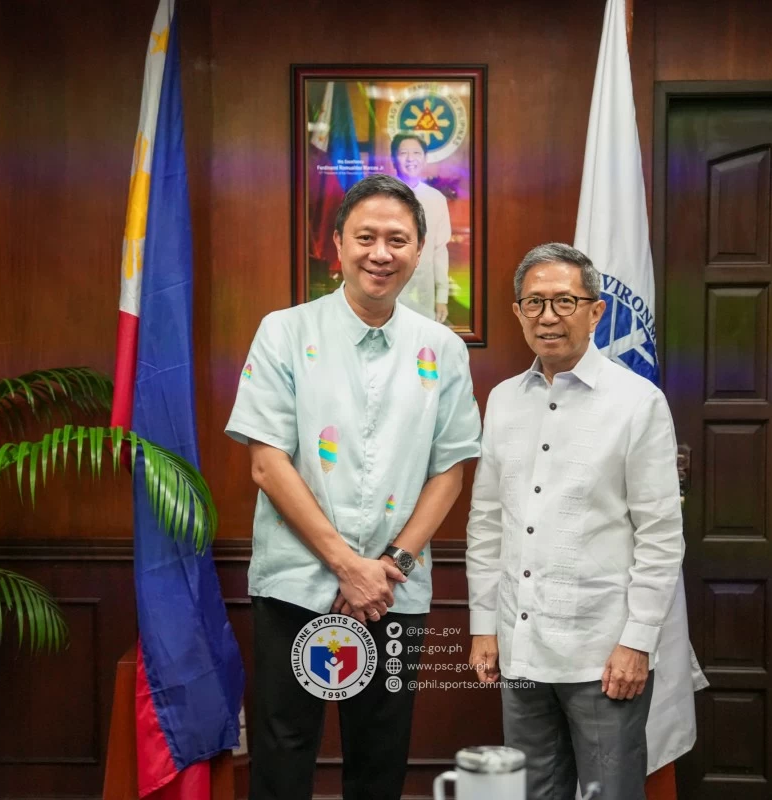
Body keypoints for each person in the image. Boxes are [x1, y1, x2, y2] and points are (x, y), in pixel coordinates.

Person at [225, 174, 481, 800]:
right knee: (285, 750)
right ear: (337, 243)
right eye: (365, 236)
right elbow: (266, 463)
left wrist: (388, 565)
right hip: (296, 582)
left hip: (393, 593)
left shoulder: (442, 350)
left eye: (398, 239)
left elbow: (451, 467)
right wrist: (346, 565)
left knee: (381, 752)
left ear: (420, 251)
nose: (381, 252)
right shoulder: (284, 332)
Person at [465, 243, 685, 800]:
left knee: (608, 791)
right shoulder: (502, 400)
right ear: (517, 312)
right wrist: (484, 627)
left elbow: (660, 536)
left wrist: (637, 641)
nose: (547, 316)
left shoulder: (638, 403)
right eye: (534, 302)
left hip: (602, 651)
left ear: (596, 311)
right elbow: (487, 522)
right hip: (521, 645)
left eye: (565, 301)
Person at [390, 133, 452, 324]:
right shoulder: (381, 196)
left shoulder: (436, 199)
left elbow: (440, 251)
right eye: (403, 153)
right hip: (387, 291)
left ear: (424, 159)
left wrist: (442, 298)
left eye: (416, 153)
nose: (410, 159)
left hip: (423, 292)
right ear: (394, 159)